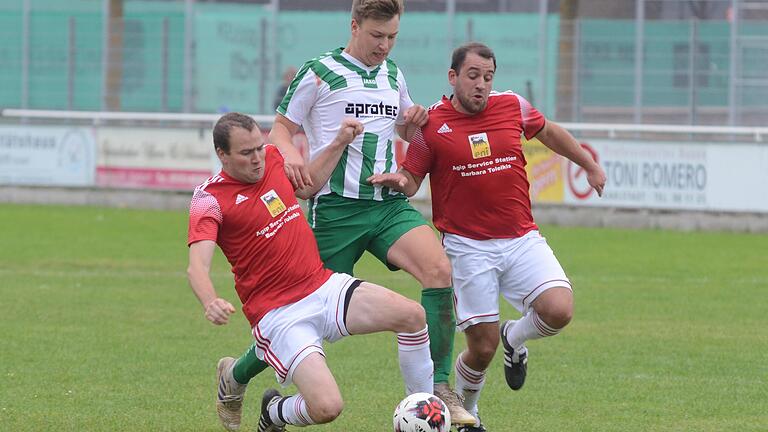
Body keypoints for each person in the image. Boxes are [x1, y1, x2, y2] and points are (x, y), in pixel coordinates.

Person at [216, 0, 476, 428]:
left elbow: (406, 131)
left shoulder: (394, 75)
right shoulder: (319, 71)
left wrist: (415, 121)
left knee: (439, 271)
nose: (385, 46)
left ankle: (439, 389)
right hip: (335, 211)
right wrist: (288, 156)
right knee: (298, 315)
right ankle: (236, 373)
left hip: (387, 206)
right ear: (354, 26)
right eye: (377, 36)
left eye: (392, 37)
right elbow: (281, 128)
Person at [368, 42, 607, 431]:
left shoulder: (512, 105)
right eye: (473, 76)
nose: (481, 84)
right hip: (467, 248)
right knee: (481, 349)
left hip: (521, 238)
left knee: (559, 310)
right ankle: (470, 413)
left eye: (488, 77)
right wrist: (400, 181)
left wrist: (588, 164)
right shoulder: (432, 125)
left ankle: (515, 335)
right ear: (453, 77)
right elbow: (412, 179)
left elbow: (548, 132)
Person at [187, 112, 434, 431]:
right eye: (246, 153)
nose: (257, 158)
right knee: (327, 407)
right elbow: (197, 266)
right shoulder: (209, 199)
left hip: (323, 287)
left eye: (259, 148)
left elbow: (309, 186)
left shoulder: (275, 158)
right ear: (222, 154)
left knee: (413, 316)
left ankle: (424, 413)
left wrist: (339, 142)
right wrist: (210, 301)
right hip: (279, 314)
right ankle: (274, 412)